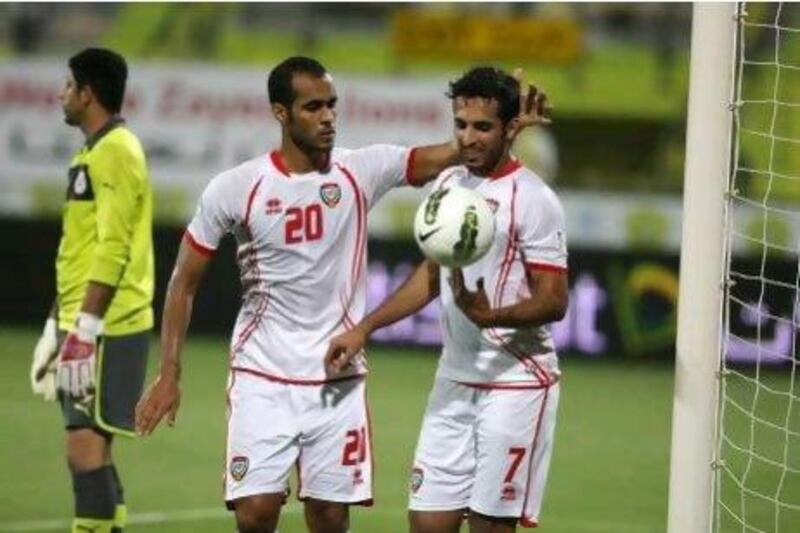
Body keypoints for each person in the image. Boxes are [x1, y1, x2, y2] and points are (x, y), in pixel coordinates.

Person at [133, 57, 548, 533]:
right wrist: (169, 373)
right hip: (262, 375)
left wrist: (508, 132)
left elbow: (449, 153)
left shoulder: (360, 170)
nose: (328, 116)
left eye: (332, 105)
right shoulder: (236, 189)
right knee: (256, 511)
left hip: (337, 378)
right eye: (313, 107)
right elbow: (184, 280)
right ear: (281, 113)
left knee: (330, 517)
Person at [325, 66, 567, 533]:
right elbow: (430, 276)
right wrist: (364, 328)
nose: (469, 137)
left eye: (482, 127)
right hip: (453, 380)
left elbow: (554, 301)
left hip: (515, 382)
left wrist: (490, 316)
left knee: (489, 527)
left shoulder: (535, 199)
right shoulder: (450, 184)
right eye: (461, 124)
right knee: (427, 524)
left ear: (507, 129)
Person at [29, 48, 154, 533]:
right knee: (91, 450)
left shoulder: (118, 152)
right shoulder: (92, 152)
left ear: (88, 94)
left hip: (108, 325)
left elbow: (113, 246)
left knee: (83, 449)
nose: (61, 94)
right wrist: (53, 326)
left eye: (68, 86)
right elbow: (78, 251)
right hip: (85, 323)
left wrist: (83, 329)